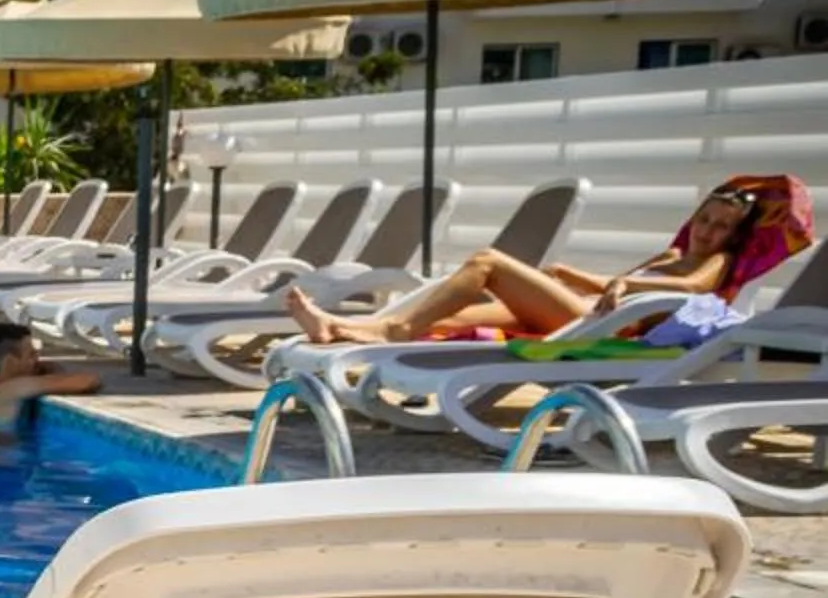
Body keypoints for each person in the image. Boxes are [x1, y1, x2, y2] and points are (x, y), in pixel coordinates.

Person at [282, 178, 811, 347]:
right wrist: (571, 275)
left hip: (604, 327)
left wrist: (625, 289)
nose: (709, 231)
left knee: (488, 263)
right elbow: (614, 281)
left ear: (735, 237)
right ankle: (341, 327)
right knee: (454, 314)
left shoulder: (715, 264)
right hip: (587, 309)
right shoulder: (672, 253)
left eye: (722, 226)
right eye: (705, 219)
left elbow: (691, 290)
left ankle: (391, 328)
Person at [0, 323, 101, 433]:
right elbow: (88, 381)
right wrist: (53, 371)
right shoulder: (14, 388)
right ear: (10, 362)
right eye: (31, 354)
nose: (37, 359)